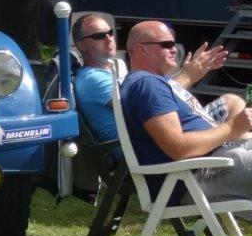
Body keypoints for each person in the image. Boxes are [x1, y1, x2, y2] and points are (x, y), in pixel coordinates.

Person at [121, 21, 252, 236]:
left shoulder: (154, 83)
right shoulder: (145, 85)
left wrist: (189, 74)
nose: (175, 49)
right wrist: (233, 128)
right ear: (141, 49)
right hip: (198, 175)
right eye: (166, 45)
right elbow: (178, 147)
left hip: (215, 160)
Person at [72, 13, 232, 150]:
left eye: (110, 32)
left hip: (163, 133)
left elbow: (153, 94)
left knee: (232, 102)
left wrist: (190, 71)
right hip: (146, 148)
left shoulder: (116, 66)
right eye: (99, 36)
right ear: (82, 46)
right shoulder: (91, 78)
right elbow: (142, 103)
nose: (109, 39)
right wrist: (187, 75)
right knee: (237, 128)